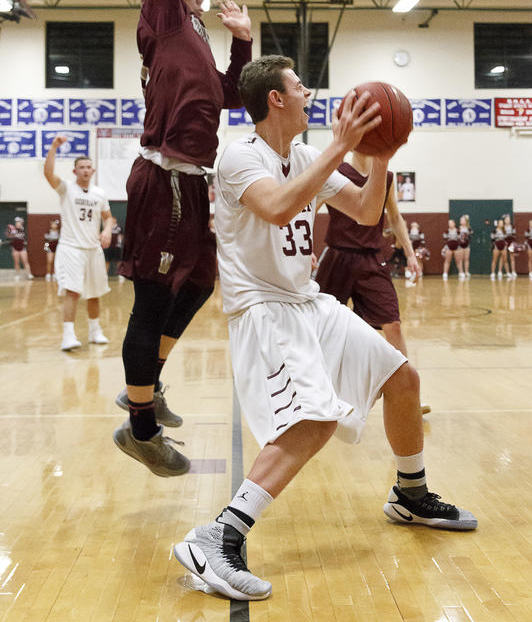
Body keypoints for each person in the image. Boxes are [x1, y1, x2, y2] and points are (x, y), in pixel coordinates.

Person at [174, 55, 477, 602]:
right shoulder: (240, 156)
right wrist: (342, 146)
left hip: (307, 302)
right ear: (275, 98)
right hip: (263, 310)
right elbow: (277, 207)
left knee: (402, 378)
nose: (309, 93)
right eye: (299, 86)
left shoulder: (305, 154)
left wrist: (379, 158)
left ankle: (410, 495)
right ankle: (217, 537)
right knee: (314, 422)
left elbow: (365, 211)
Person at [113, 0, 252, 476]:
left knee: (198, 283)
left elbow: (228, 95)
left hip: (194, 182)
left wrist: (242, 44)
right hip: (164, 178)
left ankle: (148, 383)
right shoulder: (164, 20)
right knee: (152, 299)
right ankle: (141, 428)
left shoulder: (196, 38)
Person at [314, 151, 429, 414]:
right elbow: (309, 208)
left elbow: (395, 217)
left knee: (393, 325)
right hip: (337, 257)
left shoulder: (385, 177)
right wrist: (305, 246)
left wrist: (410, 253)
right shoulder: (335, 172)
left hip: (371, 259)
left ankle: (408, 397)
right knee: (319, 329)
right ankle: (313, 394)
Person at [44, 136, 113, 350]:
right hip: (71, 248)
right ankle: (68, 335)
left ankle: (95, 331)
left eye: (88, 167)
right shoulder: (66, 188)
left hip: (93, 249)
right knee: (72, 291)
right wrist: (54, 147)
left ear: (93, 171)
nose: (85, 170)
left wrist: (107, 230)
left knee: (95, 293)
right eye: (81, 167)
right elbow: (48, 174)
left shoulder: (99, 193)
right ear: (75, 171)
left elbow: (108, 218)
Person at [456, 214, 473, 280]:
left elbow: (471, 235)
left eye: (462, 220)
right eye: (460, 220)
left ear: (466, 221)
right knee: (460, 259)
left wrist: (468, 234)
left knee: (466, 259)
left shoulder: (469, 228)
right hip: (460, 246)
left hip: (467, 245)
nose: (461, 221)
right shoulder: (458, 229)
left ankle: (466, 271)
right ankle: (461, 272)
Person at [502, 214, 517, 279]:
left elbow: (514, 235)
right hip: (504, 243)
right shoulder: (502, 227)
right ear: (504, 220)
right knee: (504, 258)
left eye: (509, 219)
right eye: (506, 219)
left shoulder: (512, 227)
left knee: (512, 257)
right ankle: (507, 272)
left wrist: (513, 243)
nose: (508, 220)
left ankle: (513, 271)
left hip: (511, 243)